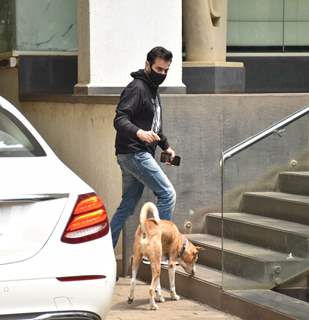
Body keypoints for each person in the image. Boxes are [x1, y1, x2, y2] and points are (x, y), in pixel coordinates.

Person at [110, 46, 176, 248]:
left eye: (166, 71)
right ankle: (160, 248)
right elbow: (120, 119)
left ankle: (104, 249)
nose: (162, 74)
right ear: (147, 65)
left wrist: (166, 146)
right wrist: (139, 133)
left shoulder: (152, 90)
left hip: (133, 153)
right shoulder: (137, 88)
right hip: (135, 153)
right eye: (158, 70)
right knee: (167, 194)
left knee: (128, 205)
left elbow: (154, 126)